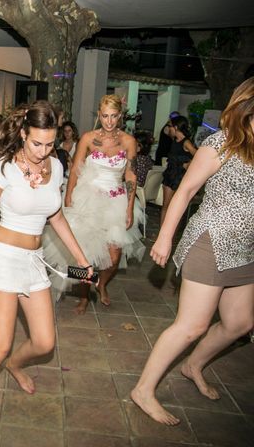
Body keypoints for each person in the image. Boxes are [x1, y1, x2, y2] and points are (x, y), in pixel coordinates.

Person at [0, 102, 94, 438]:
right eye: (36, 143)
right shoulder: (4, 168)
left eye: (50, 143)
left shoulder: (55, 167)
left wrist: (82, 259)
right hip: (3, 258)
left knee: (44, 342)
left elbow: (55, 216)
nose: (43, 151)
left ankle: (15, 365)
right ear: (24, 133)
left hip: (34, 260)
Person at [131, 77, 254, 426]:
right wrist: (164, 237)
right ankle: (143, 390)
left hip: (246, 250)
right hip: (211, 242)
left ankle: (193, 365)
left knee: (240, 323)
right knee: (192, 325)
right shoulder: (221, 144)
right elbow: (184, 192)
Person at [43, 94, 145, 314]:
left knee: (114, 258)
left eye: (114, 116)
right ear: (99, 115)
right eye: (105, 116)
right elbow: (75, 171)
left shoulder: (128, 142)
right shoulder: (88, 138)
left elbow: (131, 176)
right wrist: (69, 196)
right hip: (87, 199)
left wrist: (128, 208)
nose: (109, 121)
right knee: (84, 255)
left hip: (116, 201)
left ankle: (101, 284)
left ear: (120, 116)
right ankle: (83, 297)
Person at [160, 115, 197, 225]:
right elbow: (166, 131)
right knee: (166, 205)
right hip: (171, 175)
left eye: (170, 126)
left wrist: (188, 164)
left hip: (179, 177)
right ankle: (162, 232)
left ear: (175, 127)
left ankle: (168, 232)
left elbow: (198, 155)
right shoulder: (175, 140)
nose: (168, 128)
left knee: (173, 207)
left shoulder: (186, 142)